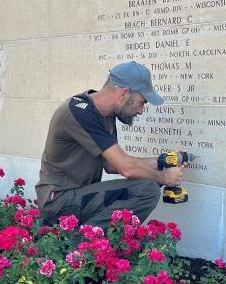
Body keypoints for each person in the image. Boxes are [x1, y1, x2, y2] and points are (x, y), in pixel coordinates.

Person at [35, 61, 184, 228]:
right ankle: (78, 245)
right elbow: (126, 168)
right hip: (60, 201)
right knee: (147, 189)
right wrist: (163, 177)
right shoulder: (79, 111)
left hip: (79, 197)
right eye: (142, 102)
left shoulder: (106, 115)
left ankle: (88, 241)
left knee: (146, 182)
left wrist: (162, 161)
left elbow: (111, 166)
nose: (141, 110)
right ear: (123, 94)